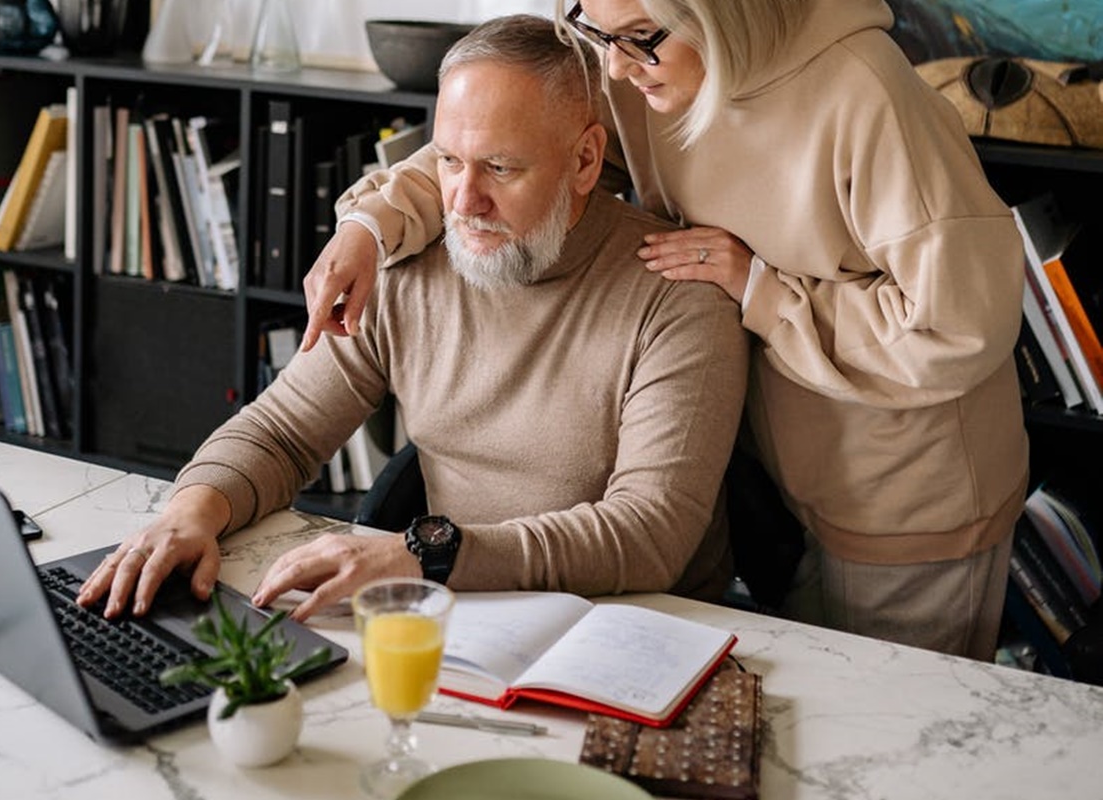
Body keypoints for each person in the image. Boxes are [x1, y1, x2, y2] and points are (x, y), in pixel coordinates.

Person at [301, 0, 1029, 661]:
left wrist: (758, 288)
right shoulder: (639, 65)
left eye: (639, 40)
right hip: (775, 470)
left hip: (904, 499)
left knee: (884, 747)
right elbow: (506, 146)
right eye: (594, 27)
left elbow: (958, 325)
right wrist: (372, 224)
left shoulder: (868, 98)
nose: (610, 65)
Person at [76, 14, 749, 622]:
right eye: (449, 160)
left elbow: (649, 533)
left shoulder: (679, 295)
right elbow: (282, 431)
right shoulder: (410, 267)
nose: (464, 200)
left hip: (638, 629)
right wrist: (192, 512)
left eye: (501, 167)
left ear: (583, 160)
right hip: (460, 609)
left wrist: (428, 555)